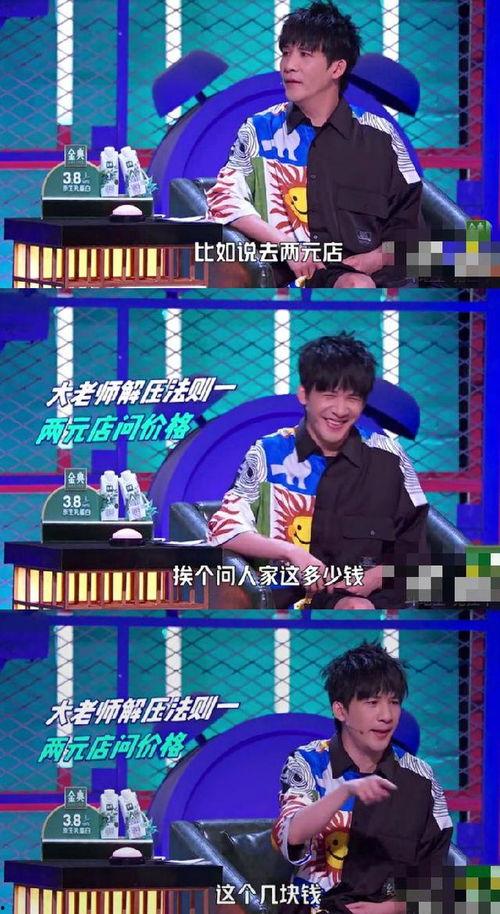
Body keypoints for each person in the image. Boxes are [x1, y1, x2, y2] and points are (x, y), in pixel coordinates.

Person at [206, 1, 423, 289]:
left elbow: (410, 226)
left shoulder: (380, 136)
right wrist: (286, 245)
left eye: (305, 54)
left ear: (337, 68)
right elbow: (223, 198)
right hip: (290, 278)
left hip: (366, 280)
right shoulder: (259, 130)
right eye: (286, 53)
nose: (289, 65)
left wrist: (376, 258)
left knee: (475, 259)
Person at [207, 333, 428, 609]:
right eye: (329, 395)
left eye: (353, 398)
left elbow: (417, 552)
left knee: (476, 582)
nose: (340, 410)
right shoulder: (268, 453)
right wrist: (291, 553)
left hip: (365, 604)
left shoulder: (389, 457)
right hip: (283, 606)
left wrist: (381, 575)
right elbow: (224, 531)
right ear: (304, 394)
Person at [272, 642, 453, 913]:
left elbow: (436, 869)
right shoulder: (308, 761)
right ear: (340, 711)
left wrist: (395, 908)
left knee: (489, 893)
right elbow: (291, 834)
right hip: (318, 907)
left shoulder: (420, 777)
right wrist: (345, 792)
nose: (386, 716)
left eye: (394, 702)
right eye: (372, 703)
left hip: (390, 909)